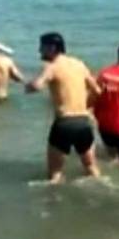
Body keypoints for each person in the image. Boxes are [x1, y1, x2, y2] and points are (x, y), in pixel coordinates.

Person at [25, 32, 102, 183]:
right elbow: (97, 91)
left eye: (42, 47)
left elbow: (38, 86)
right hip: (83, 122)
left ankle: (52, 203)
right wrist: (85, 106)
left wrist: (29, 86)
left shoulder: (52, 67)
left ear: (52, 48)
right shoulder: (79, 64)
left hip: (64, 124)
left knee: (55, 175)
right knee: (92, 168)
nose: (40, 51)